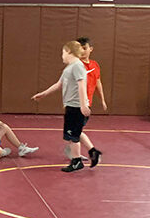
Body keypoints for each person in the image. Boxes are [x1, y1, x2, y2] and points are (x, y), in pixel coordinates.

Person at [32, 41, 100, 172]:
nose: (62, 56)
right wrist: (44, 94)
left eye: (63, 53)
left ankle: (76, 161)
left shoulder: (77, 66)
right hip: (70, 105)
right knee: (74, 133)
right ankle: (93, 152)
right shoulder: (69, 68)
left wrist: (83, 105)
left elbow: (81, 85)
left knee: (73, 136)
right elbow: (59, 84)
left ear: (69, 52)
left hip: (76, 106)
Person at [76, 37, 108, 116]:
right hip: (76, 102)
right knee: (75, 126)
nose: (82, 51)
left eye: (84, 48)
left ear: (91, 49)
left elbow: (98, 83)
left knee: (79, 125)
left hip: (87, 102)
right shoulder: (76, 65)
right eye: (79, 49)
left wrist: (102, 100)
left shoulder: (95, 65)